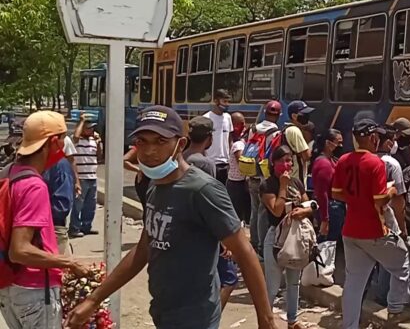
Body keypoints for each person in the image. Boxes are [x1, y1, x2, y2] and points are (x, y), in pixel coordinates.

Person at [64, 106, 277, 329]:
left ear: (180, 144)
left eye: (160, 141)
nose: (149, 151)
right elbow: (144, 248)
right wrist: (94, 299)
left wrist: (266, 319)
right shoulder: (155, 187)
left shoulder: (202, 190)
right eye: (142, 142)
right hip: (163, 310)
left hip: (194, 316)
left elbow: (244, 252)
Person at [0, 110, 91, 329]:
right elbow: (20, 250)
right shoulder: (34, 185)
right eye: (62, 138)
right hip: (33, 290)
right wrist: (69, 262)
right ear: (53, 142)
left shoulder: (9, 171)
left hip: (9, 288)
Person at [332, 118, 410, 329]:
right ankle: (395, 308)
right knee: (401, 260)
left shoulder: (343, 160)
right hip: (375, 229)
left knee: (354, 284)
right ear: (374, 138)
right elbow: (380, 199)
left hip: (350, 230)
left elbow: (337, 194)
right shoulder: (376, 163)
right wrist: (392, 190)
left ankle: (349, 325)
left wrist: (357, 196)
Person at [182, 116, 238, 311]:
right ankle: (211, 318)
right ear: (209, 138)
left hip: (185, 230)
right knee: (229, 279)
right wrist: (224, 240)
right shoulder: (206, 164)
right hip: (207, 232)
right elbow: (211, 204)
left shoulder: (181, 157)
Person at [259, 145, 311, 329]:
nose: (286, 164)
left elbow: (310, 205)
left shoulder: (297, 183)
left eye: (289, 160)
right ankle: (265, 322)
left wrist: (303, 210)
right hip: (276, 238)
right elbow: (276, 209)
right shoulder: (268, 185)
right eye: (282, 161)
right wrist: (282, 185)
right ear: (273, 163)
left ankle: (292, 319)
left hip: (295, 237)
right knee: (272, 287)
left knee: (293, 283)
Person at [372, 123, 408, 307]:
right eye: (393, 140)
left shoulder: (365, 159)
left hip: (365, 216)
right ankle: (386, 296)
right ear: (387, 143)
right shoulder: (392, 164)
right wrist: (402, 228)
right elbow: (399, 199)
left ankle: (370, 290)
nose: (395, 144)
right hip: (387, 217)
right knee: (392, 256)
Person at [247, 100, 282, 259]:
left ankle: (253, 243)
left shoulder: (254, 128)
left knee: (254, 211)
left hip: (251, 173)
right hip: (264, 175)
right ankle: (261, 248)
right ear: (278, 115)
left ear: (265, 113)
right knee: (262, 212)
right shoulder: (275, 132)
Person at [70, 118, 101, 238]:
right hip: (81, 177)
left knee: (90, 204)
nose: (91, 130)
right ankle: (74, 228)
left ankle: (86, 226)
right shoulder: (77, 140)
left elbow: (99, 155)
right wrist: (82, 121)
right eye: (88, 128)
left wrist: (99, 142)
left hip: (92, 176)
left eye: (92, 128)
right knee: (78, 204)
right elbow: (76, 137)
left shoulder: (93, 140)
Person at [311, 129, 344, 241]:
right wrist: (325, 219)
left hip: (334, 208)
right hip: (330, 209)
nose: (341, 146)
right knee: (328, 245)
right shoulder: (324, 164)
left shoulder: (331, 160)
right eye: (338, 142)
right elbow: (322, 193)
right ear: (328, 143)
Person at [204, 89, 233, 184]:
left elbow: (229, 139)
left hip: (225, 163)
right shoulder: (206, 118)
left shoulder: (228, 117)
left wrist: (230, 160)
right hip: (211, 162)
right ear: (216, 101)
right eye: (224, 101)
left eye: (228, 101)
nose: (227, 104)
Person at [227, 112, 251, 224]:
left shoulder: (237, 143)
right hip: (236, 185)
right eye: (242, 124)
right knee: (237, 215)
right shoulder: (238, 145)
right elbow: (242, 163)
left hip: (238, 182)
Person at [283, 101, 314, 189]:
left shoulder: (286, 129)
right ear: (294, 116)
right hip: (295, 181)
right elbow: (306, 156)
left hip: (290, 178)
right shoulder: (294, 131)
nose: (306, 117)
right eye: (304, 114)